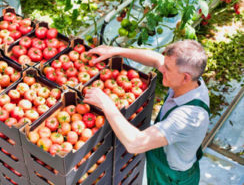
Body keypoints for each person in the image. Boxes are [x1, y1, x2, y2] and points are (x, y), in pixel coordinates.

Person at [83, 40, 210, 185]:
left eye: (167, 68)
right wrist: (116, 51)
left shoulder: (187, 118)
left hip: (172, 178)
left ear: (185, 77)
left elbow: (135, 143)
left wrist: (105, 103)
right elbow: (156, 59)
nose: (161, 69)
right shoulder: (190, 82)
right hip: (163, 164)